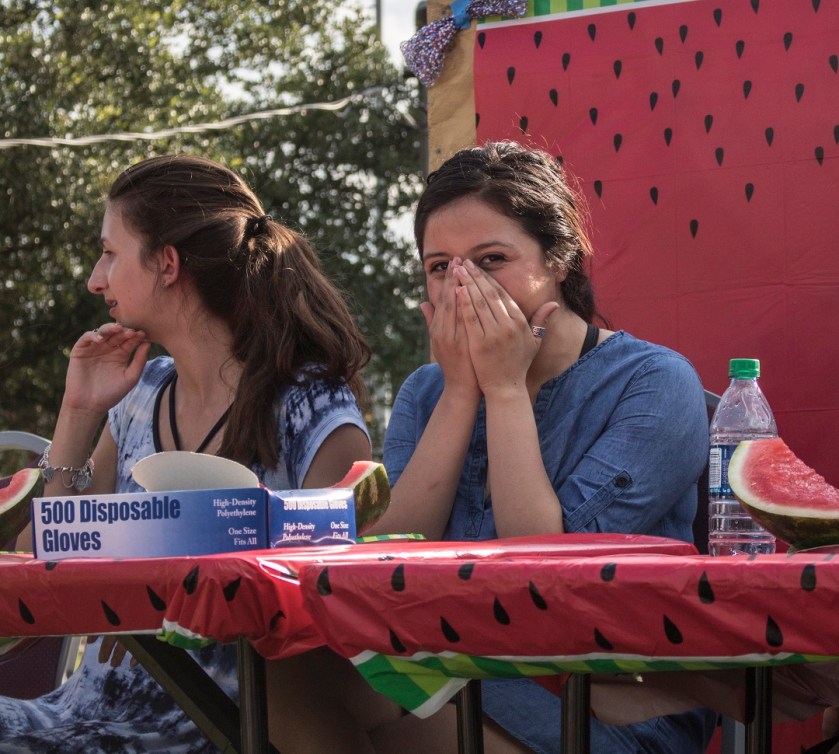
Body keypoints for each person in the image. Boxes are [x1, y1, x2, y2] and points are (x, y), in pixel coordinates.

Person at [0, 153, 376, 752]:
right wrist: (77, 413)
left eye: (110, 253)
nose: (96, 279)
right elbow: (40, 553)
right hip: (79, 710)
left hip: (209, 723)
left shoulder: (310, 408)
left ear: (167, 264)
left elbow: (331, 608)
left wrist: (173, 595)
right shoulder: (141, 395)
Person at [366, 141, 719, 753]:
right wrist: (458, 393)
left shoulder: (654, 381)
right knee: (290, 671)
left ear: (560, 259)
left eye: (491, 258)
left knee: (382, 714)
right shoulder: (425, 392)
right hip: (450, 667)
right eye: (439, 266)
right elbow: (390, 557)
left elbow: (549, 572)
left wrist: (503, 390)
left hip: (605, 701)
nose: (462, 285)